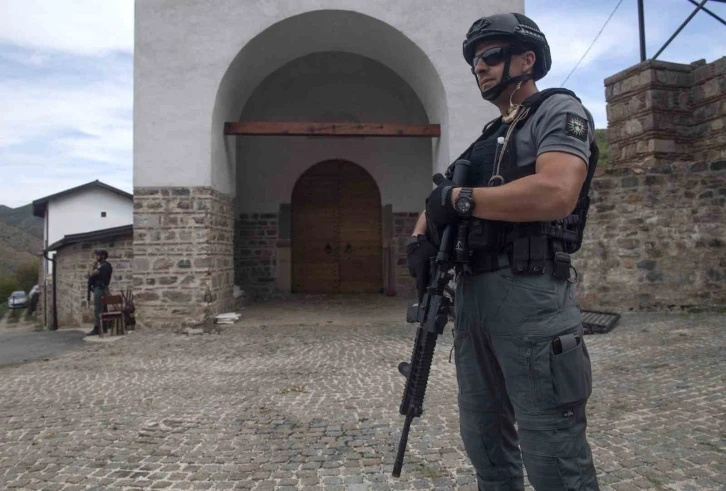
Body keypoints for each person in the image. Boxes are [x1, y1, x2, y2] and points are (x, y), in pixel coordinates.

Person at [406, 13, 600, 490]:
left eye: (490, 55)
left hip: (532, 292)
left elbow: (556, 192)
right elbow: (438, 198)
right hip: (473, 299)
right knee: (484, 440)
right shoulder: (486, 138)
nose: (480, 67)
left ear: (526, 59)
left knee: (552, 447)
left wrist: (460, 200)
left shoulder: (559, 111)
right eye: (474, 60)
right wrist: (419, 239)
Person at [86, 249, 113, 336]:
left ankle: (98, 328)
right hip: (100, 288)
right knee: (103, 308)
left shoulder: (104, 266)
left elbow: (92, 273)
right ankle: (103, 327)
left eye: (97, 255)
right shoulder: (102, 265)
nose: (96, 257)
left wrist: (94, 266)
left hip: (100, 289)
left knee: (98, 309)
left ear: (102, 256)